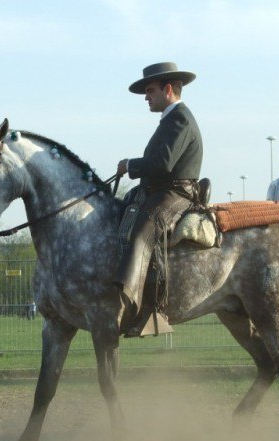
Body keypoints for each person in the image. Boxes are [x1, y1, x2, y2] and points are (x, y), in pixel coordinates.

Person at [114, 62, 203, 337]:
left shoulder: (180, 120)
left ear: (168, 89)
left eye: (150, 90)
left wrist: (130, 165)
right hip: (160, 191)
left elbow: (162, 163)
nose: (146, 96)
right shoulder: (170, 119)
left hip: (176, 194)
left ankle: (127, 307)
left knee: (142, 233)